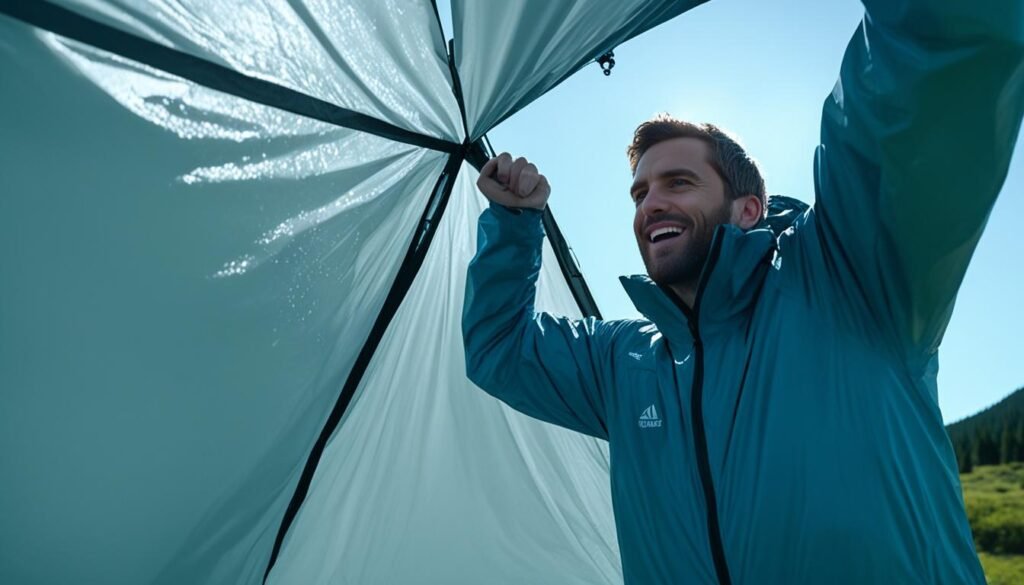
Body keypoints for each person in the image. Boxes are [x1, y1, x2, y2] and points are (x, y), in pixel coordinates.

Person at [462, 1, 1024, 583]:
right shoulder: (622, 364)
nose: (651, 203)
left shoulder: (851, 275)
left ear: (747, 209)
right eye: (640, 193)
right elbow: (499, 348)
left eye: (678, 182)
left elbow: (944, 47)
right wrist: (512, 223)